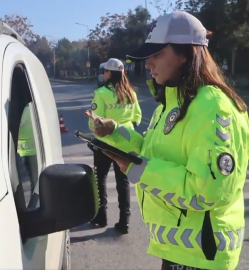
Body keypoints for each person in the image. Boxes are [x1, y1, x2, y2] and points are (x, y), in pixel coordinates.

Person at [90, 11, 248, 270]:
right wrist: (115, 131)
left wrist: (139, 169)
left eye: (158, 54)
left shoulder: (212, 106)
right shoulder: (174, 101)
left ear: (186, 53)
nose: (148, 63)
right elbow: (152, 151)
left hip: (201, 257)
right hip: (182, 251)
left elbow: (207, 190)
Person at [87, 58, 142, 233]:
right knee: (123, 182)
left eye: (105, 71)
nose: (103, 74)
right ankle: (124, 221)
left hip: (105, 144)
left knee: (100, 179)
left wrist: (93, 126)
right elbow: (138, 118)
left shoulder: (101, 92)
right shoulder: (131, 93)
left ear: (110, 73)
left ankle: (101, 216)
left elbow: (96, 122)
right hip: (125, 144)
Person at [17, 103, 38, 191]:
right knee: (35, 183)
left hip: (25, 151)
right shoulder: (27, 109)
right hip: (27, 151)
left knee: (34, 183)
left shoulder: (25, 109)